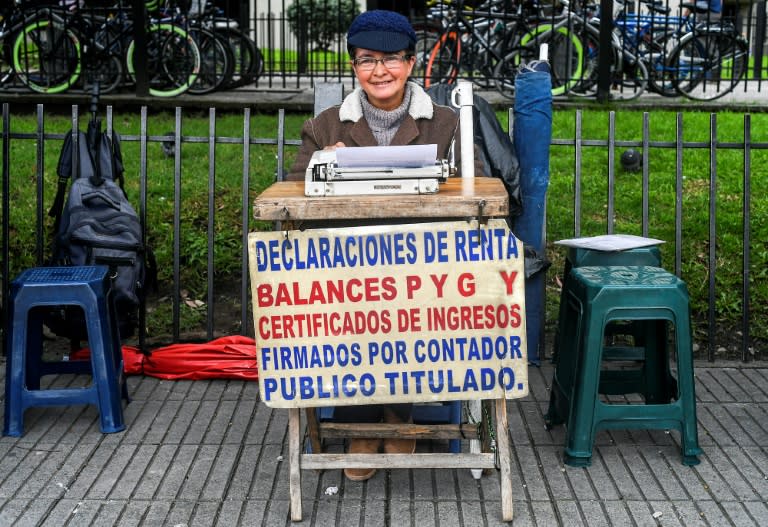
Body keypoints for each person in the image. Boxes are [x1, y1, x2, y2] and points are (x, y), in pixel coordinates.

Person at [287, 9, 486, 482]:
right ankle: (364, 418)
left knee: (409, 301)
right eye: (366, 60)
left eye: (391, 59)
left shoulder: (448, 124)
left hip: (426, 266)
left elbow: (475, 192)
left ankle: (398, 416)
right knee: (352, 303)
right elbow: (292, 196)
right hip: (346, 269)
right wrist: (321, 165)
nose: (379, 71)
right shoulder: (326, 125)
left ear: (412, 63)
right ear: (354, 67)